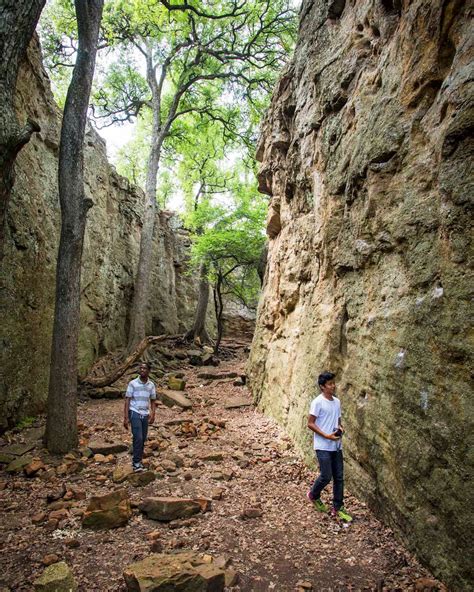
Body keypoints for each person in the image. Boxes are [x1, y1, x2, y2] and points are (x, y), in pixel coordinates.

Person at [307, 371, 352, 522]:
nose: (333, 386)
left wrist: (340, 428)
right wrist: (326, 435)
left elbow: (338, 421)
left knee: (339, 478)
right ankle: (313, 494)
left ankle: (338, 508)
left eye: (333, 383)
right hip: (322, 445)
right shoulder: (317, 402)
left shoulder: (337, 402)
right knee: (326, 476)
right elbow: (310, 423)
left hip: (336, 446)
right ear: (322, 386)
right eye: (330, 384)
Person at [123, 362, 156, 472]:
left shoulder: (151, 385)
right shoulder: (133, 383)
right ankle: (136, 463)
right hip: (134, 412)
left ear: (148, 371)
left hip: (145, 413)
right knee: (138, 437)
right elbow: (127, 400)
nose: (142, 370)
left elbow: (153, 400)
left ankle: (139, 461)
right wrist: (126, 417)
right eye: (141, 368)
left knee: (143, 438)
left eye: (144, 368)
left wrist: (153, 414)